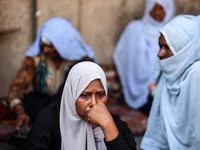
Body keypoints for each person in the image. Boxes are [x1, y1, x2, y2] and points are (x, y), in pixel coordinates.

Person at [22, 61, 137, 150]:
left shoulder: (116, 125)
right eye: (85, 95)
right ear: (72, 95)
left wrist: (107, 127)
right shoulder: (50, 119)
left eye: (100, 94)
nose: (94, 103)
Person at [7, 17, 96, 130]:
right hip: (42, 105)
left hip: (71, 109)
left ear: (63, 42)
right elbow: (16, 89)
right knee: (30, 102)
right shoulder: (36, 60)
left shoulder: (82, 61)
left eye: (50, 45)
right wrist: (20, 112)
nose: (45, 50)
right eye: (43, 44)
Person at [141, 15, 200, 149]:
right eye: (160, 46)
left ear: (185, 49)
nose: (160, 53)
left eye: (167, 47)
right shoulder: (170, 70)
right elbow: (157, 136)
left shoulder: (196, 73)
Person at [113, 0, 174, 115]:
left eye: (161, 8)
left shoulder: (174, 31)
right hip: (139, 87)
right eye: (153, 7)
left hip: (166, 86)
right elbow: (122, 57)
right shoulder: (134, 29)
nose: (156, 12)